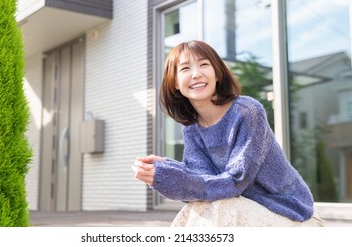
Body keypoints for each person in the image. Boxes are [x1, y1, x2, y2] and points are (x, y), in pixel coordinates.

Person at [132, 40, 324, 227]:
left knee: (219, 206)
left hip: (291, 212)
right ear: (174, 83)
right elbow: (203, 182)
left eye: (204, 65)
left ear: (217, 74)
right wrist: (166, 167)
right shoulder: (192, 128)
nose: (196, 74)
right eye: (185, 69)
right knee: (200, 206)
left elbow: (235, 181)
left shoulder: (247, 112)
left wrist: (171, 176)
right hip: (243, 210)